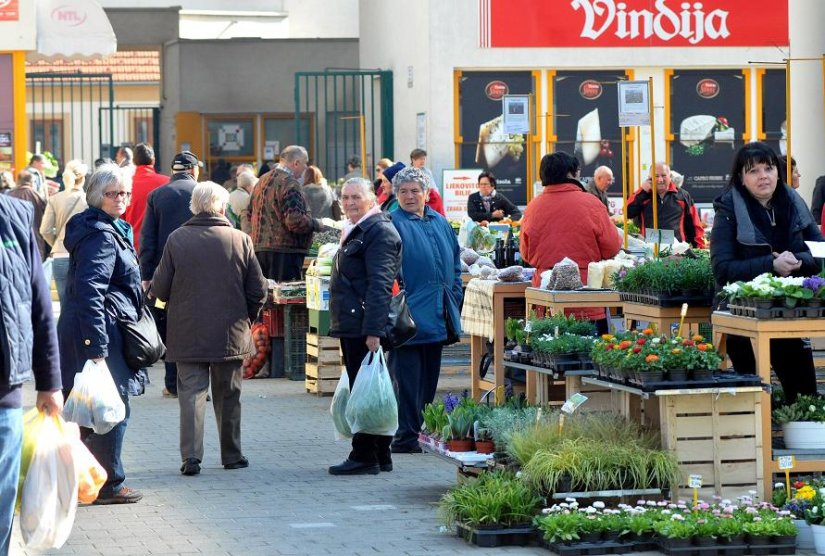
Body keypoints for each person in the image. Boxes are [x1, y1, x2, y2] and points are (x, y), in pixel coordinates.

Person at [150, 181, 267, 476]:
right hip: (230, 331)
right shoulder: (240, 239)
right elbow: (259, 289)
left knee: (191, 395)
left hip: (187, 332)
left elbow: (160, 288)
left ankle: (191, 456)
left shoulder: (177, 239)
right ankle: (232, 455)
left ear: (194, 206)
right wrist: (247, 317)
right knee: (228, 395)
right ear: (223, 207)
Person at [58, 164, 145, 505]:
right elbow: (90, 289)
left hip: (89, 328)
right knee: (111, 408)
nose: (121, 199)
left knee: (86, 410)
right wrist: (97, 346)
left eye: (125, 193)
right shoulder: (101, 235)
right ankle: (108, 484)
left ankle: (85, 481)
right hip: (99, 331)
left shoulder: (101, 227)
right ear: (96, 196)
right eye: (113, 194)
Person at [711, 142, 823, 403]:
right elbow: (722, 269)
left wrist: (798, 260)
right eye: (753, 171)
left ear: (778, 172)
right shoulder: (728, 210)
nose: (763, 176)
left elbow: (819, 252)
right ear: (741, 177)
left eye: (769, 168)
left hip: (789, 309)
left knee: (806, 396)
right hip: (741, 312)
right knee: (755, 397)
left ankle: (797, 423)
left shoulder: (794, 202)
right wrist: (769, 264)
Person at [0, 195, 64, 555]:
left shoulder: (12, 217)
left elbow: (38, 301)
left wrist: (50, 380)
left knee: (2, 500)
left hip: (4, 392)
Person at [328, 178, 401, 475]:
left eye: (356, 197)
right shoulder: (359, 229)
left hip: (363, 324)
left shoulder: (378, 231)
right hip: (354, 321)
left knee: (365, 389)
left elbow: (381, 284)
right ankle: (381, 454)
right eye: (345, 198)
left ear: (371, 199)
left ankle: (364, 455)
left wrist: (374, 331)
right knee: (369, 386)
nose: (349, 203)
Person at [388, 166, 462, 453]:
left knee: (429, 379)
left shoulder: (439, 222)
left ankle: (418, 431)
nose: (409, 196)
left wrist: (453, 294)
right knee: (406, 380)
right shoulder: (391, 222)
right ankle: (404, 436)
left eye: (415, 191)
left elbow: (455, 263)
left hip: (438, 314)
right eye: (403, 191)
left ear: (427, 194)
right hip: (407, 316)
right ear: (396, 195)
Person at [521, 152, 622, 333]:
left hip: (545, 293)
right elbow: (612, 247)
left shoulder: (532, 207)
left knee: (545, 355)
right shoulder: (591, 203)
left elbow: (526, 254)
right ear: (571, 173)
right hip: (586, 293)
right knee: (591, 355)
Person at [140, 150, 202, 399]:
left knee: (169, 324)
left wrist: (147, 275)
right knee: (197, 324)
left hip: (164, 273)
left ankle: (171, 383)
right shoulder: (203, 193)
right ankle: (196, 382)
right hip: (198, 271)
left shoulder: (157, 195)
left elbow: (148, 239)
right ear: (194, 169)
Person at [250, 145, 326, 281]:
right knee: (285, 298)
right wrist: (317, 224)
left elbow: (248, 212)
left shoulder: (261, 180)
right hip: (284, 253)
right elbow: (294, 221)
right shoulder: (289, 183)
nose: (306, 168)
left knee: (267, 297)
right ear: (296, 163)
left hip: (259, 249)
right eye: (305, 163)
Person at [40, 159, 89, 303]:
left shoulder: (55, 199)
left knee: (65, 304)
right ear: (83, 178)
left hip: (60, 254)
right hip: (83, 254)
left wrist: (56, 242)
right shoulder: (89, 200)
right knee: (84, 301)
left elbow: (45, 229)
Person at [626, 161, 705, 248]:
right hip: (649, 249)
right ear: (649, 178)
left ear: (670, 177)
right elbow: (627, 212)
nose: (660, 180)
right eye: (656, 176)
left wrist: (699, 247)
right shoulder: (642, 195)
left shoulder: (683, 196)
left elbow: (694, 224)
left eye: (663, 175)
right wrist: (642, 191)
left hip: (677, 250)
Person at [123, 143, 169, 253]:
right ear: (153, 160)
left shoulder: (124, 185)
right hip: (161, 247)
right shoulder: (167, 183)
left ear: (134, 161)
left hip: (132, 247)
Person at [8, 171, 48, 260]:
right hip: (36, 241)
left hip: (15, 241)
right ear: (31, 182)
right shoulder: (37, 195)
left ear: (18, 180)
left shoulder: (9, 195)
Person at [409, 149, 446, 216]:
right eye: (420, 159)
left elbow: (433, 186)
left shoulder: (427, 171)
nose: (422, 161)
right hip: (418, 199)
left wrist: (438, 197)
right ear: (413, 159)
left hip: (432, 198)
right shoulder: (408, 173)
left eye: (423, 159)